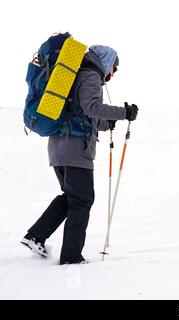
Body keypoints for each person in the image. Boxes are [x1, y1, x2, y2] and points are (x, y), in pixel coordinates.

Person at [20, 45, 139, 264]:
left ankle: (35, 236)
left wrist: (109, 122)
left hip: (59, 147)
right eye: (115, 68)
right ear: (107, 62)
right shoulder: (90, 75)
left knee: (73, 198)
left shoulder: (77, 75)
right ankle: (71, 257)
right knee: (83, 200)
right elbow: (92, 107)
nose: (114, 73)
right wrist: (123, 113)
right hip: (74, 149)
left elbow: (84, 114)